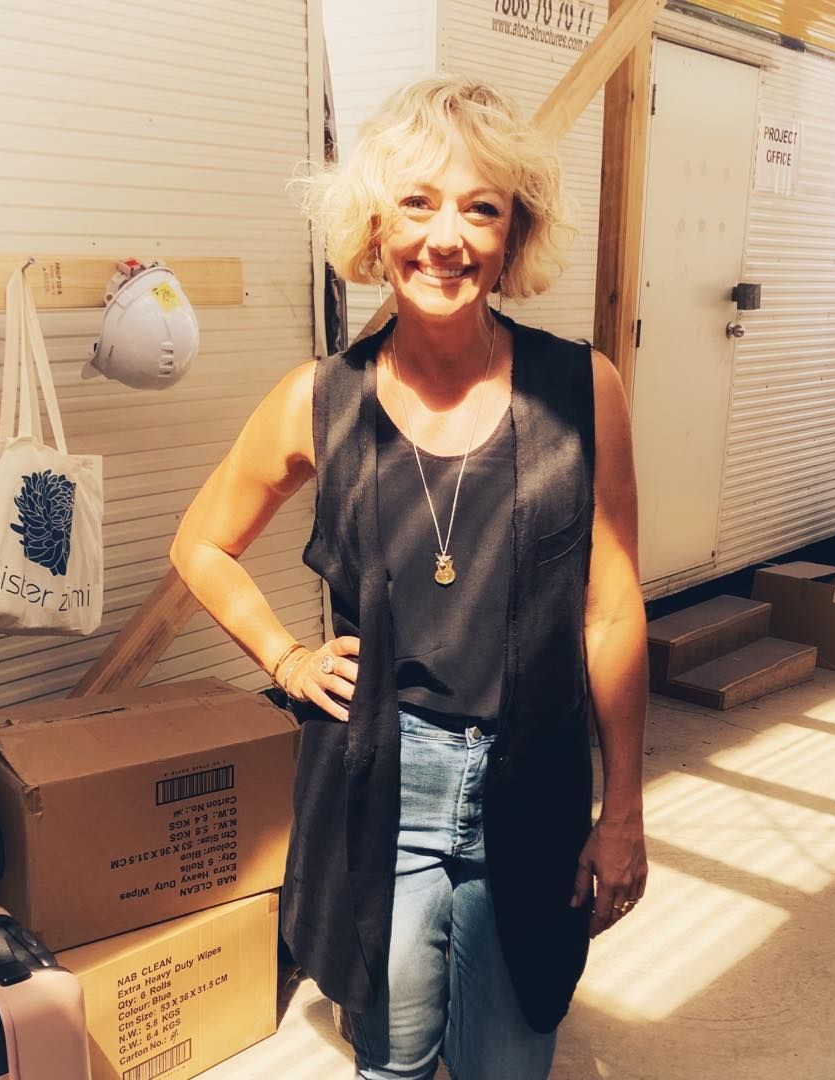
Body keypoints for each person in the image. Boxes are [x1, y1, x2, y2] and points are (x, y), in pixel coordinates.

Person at [170, 76, 649, 1080]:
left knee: (507, 1063)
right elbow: (200, 546)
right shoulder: (318, 400)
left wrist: (624, 812)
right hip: (383, 783)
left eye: (482, 208)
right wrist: (286, 658)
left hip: (536, 782)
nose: (446, 239)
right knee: (390, 1061)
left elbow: (610, 610)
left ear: (514, 234)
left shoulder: (582, 389)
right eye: (417, 203)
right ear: (375, 225)